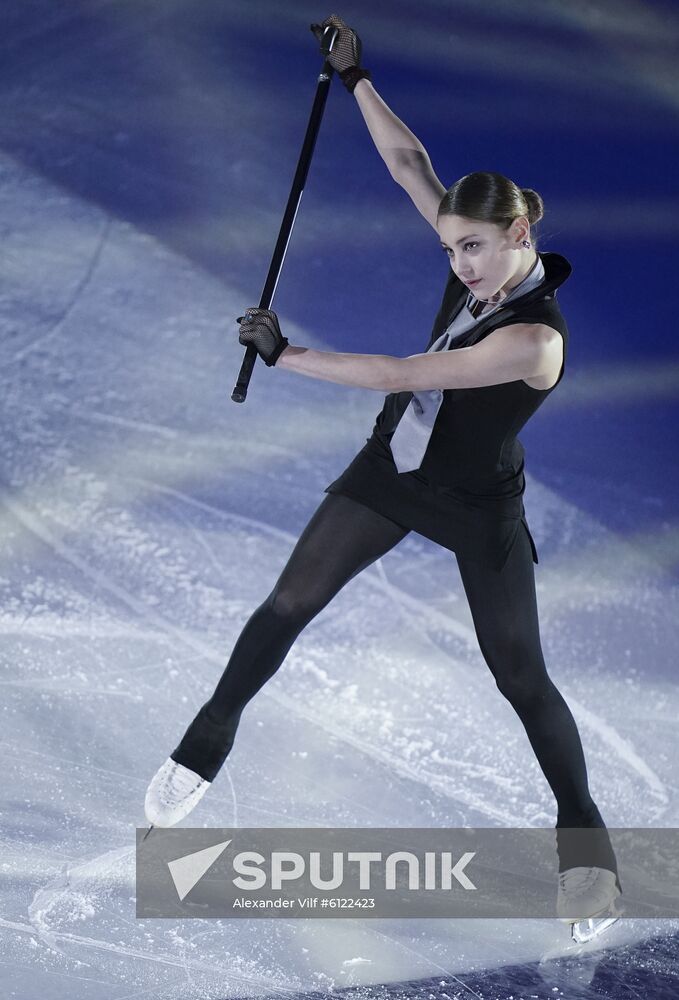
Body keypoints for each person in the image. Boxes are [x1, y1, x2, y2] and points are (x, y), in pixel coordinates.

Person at [144, 13, 622, 931]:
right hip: (394, 468)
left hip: (477, 503)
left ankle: (584, 838)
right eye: (449, 248)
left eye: (474, 248)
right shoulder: (474, 254)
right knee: (287, 605)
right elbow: (411, 166)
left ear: (518, 231)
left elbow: (407, 374)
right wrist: (358, 76)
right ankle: (204, 745)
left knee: (520, 677)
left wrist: (287, 357)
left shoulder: (531, 339)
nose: (459, 264)